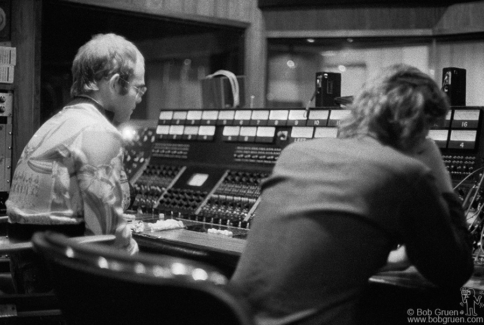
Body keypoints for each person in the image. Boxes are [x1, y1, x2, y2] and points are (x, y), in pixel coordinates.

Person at [229, 64, 474, 325]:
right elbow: (453, 272)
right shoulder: (407, 174)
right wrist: (442, 178)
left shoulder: (294, 154)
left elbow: (318, 260)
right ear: (422, 125)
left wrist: (395, 259)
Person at [6, 33, 146, 293]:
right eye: (139, 88)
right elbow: (109, 242)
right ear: (116, 84)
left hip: (32, 283)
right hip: (66, 293)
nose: (139, 98)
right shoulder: (98, 132)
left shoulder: (55, 124)